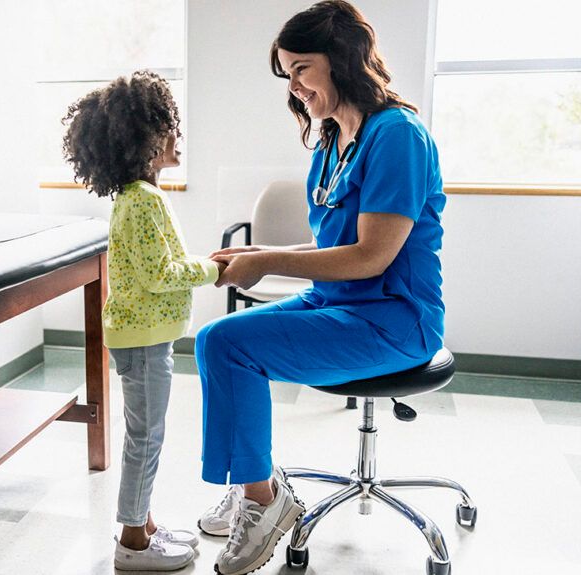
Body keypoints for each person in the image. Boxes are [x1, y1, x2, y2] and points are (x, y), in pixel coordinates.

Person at [193, 2, 447, 574]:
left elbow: (371, 255)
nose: (295, 85)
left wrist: (271, 262)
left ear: (342, 59)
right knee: (218, 338)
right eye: (288, 73)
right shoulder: (333, 138)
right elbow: (336, 243)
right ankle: (251, 479)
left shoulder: (397, 137)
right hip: (338, 305)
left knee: (226, 345)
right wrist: (261, 254)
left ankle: (263, 498)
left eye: (302, 68)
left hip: (393, 321)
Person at [62, 70, 224, 572]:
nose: (177, 135)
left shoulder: (139, 197)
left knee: (144, 431)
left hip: (143, 336)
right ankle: (133, 540)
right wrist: (214, 268)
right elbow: (161, 274)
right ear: (144, 140)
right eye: (166, 126)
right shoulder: (143, 201)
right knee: (146, 436)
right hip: (144, 340)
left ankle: (145, 524)